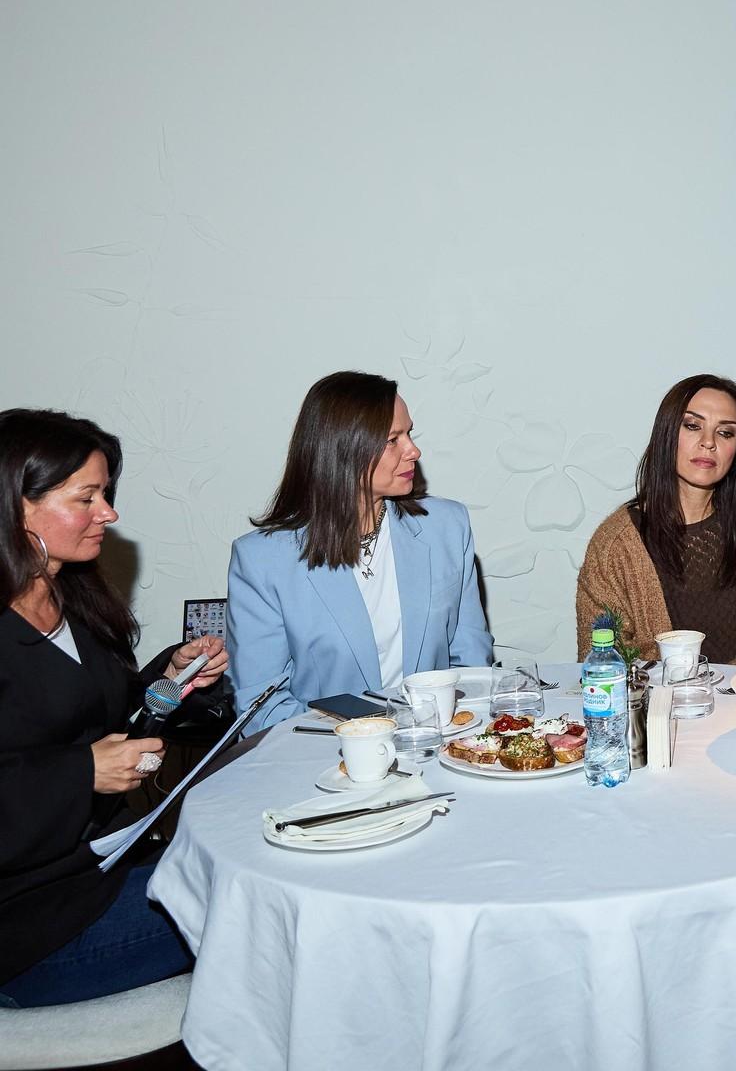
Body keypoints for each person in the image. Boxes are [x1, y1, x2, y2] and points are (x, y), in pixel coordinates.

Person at [0, 409, 227, 1006]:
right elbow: (71, 753)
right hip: (29, 926)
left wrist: (171, 678)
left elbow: (100, 714)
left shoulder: (74, 597)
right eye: (86, 498)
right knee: (260, 905)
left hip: (107, 864)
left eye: (106, 494)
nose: (109, 513)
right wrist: (81, 774)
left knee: (261, 864)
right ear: (16, 507)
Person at [227, 372, 491, 729]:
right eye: (393, 440)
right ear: (343, 450)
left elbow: (471, 664)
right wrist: (365, 742)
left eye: (409, 434)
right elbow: (262, 708)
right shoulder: (262, 561)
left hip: (438, 741)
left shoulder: (446, 526)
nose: (413, 451)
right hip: (324, 752)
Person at [576, 375, 736, 663]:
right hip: (666, 693)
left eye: (725, 433)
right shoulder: (615, 545)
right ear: (666, 434)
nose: (708, 443)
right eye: (692, 426)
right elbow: (598, 660)